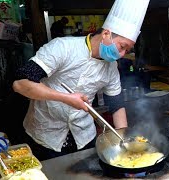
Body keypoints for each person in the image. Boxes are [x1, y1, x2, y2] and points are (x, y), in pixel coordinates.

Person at [12, 0, 150, 160]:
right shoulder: (62, 47)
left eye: (127, 50)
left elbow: (116, 105)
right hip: (45, 135)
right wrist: (66, 98)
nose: (122, 54)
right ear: (106, 34)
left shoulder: (111, 68)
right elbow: (20, 84)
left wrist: (125, 141)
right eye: (122, 46)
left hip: (84, 137)